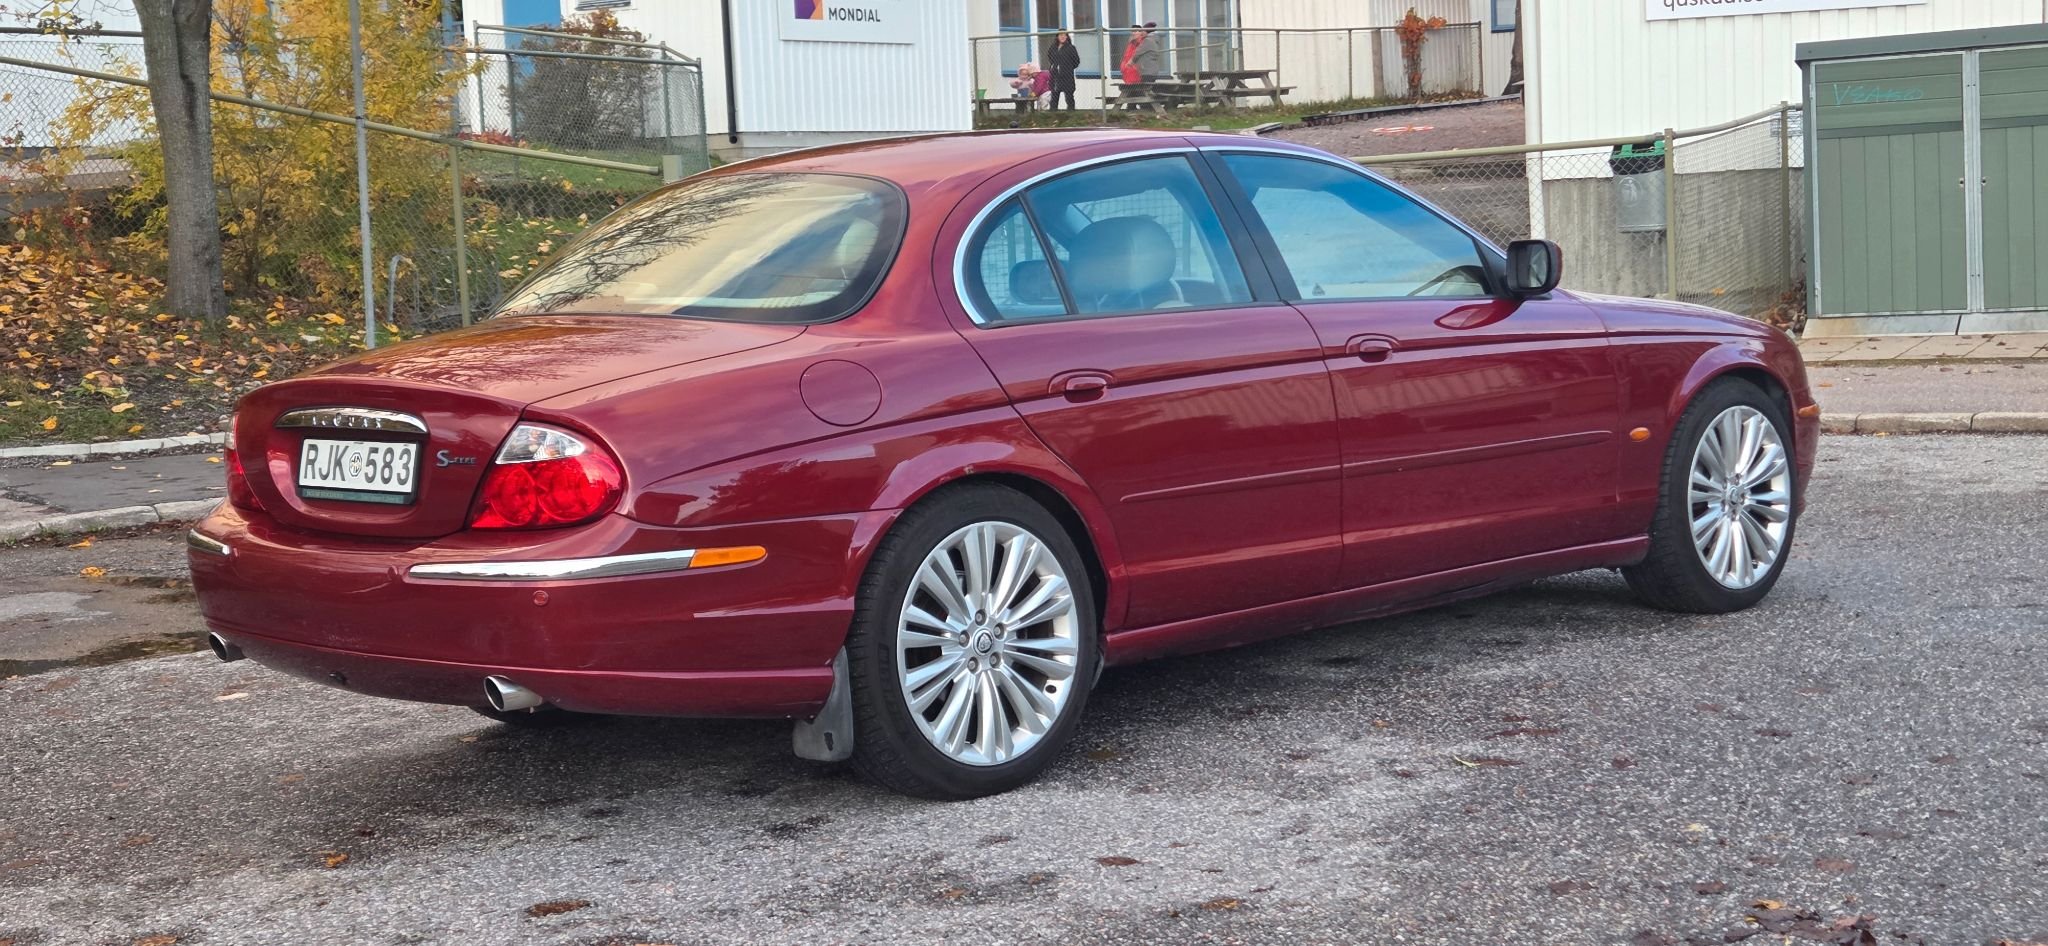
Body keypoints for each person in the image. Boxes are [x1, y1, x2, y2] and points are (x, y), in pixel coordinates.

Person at [1045, 31, 1080, 111]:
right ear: (1057, 36)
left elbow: (1076, 61)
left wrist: (1068, 68)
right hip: (1055, 75)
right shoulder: (1053, 47)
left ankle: (1070, 114)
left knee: (1069, 96)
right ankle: (1053, 114)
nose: (1062, 37)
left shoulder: (1071, 48)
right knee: (1054, 95)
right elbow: (1050, 58)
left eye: (1064, 35)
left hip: (1067, 76)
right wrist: (1054, 67)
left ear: (1067, 37)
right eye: (1060, 35)